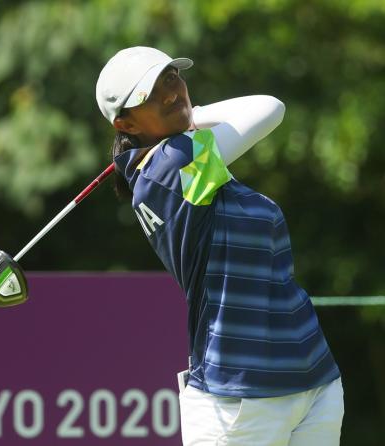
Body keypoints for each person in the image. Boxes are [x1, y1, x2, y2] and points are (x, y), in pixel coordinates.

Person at [96, 46, 344, 446]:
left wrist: (188, 118)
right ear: (124, 123)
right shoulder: (170, 168)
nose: (172, 94)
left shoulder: (184, 163)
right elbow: (269, 108)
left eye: (172, 78)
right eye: (151, 93)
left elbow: (268, 107)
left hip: (312, 378)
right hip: (237, 400)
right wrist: (193, 118)